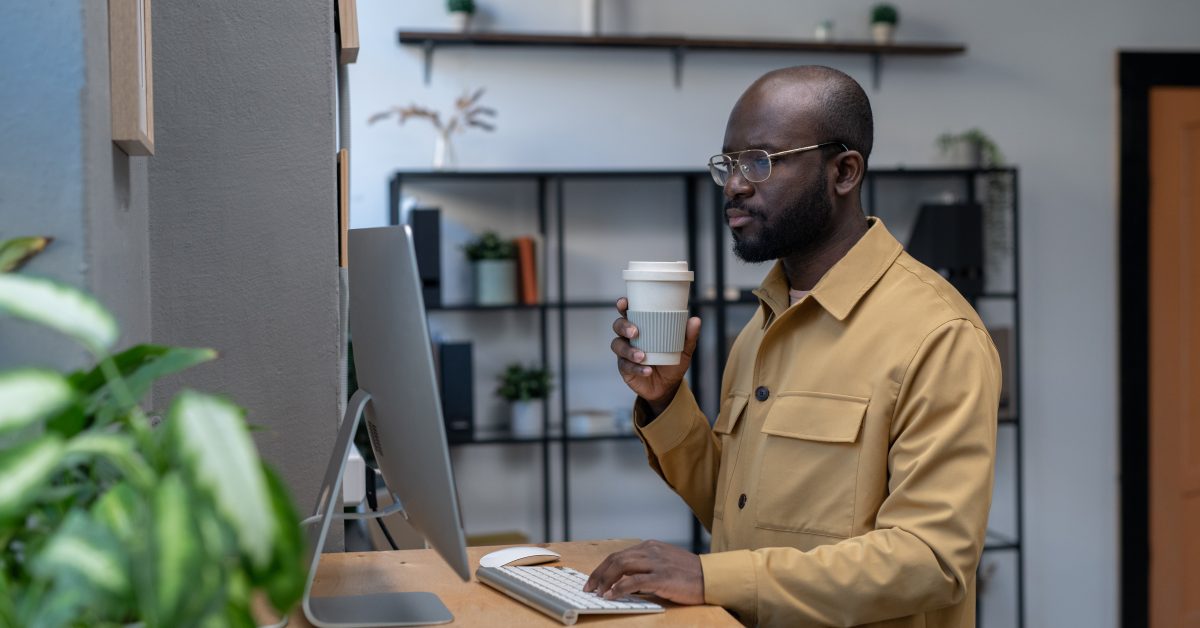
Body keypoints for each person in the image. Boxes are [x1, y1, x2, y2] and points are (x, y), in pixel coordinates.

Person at [584, 65, 1002, 628]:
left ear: (844, 171)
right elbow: (737, 514)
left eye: (760, 161)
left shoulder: (938, 334)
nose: (734, 184)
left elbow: (930, 560)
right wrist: (665, 401)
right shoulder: (762, 324)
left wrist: (711, 578)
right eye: (727, 164)